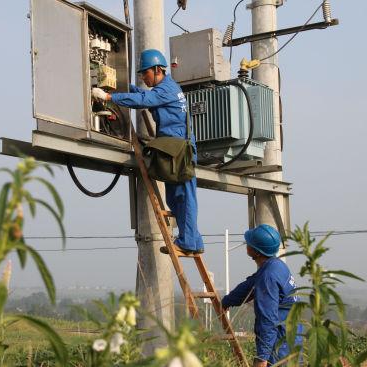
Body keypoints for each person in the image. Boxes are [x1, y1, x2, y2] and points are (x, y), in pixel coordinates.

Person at [91, 49, 204, 255]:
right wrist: (122, 86)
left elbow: (144, 101)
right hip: (171, 149)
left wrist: (108, 96)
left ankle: (189, 242)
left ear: (157, 70)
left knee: (185, 197)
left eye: (145, 73)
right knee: (176, 197)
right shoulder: (164, 89)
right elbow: (143, 96)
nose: (143, 77)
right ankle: (193, 241)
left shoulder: (166, 89)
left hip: (179, 150)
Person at [222, 224, 300, 366]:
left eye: (249, 243)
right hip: (291, 341)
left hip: (279, 349)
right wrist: (227, 301)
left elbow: (268, 320)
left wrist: (262, 358)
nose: (247, 244)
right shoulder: (276, 266)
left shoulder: (268, 277)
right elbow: (249, 286)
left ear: (257, 251)